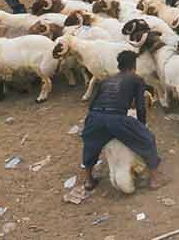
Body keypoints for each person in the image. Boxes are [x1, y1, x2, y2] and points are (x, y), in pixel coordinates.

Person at [64, 51, 164, 203]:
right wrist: (141, 127)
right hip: (116, 117)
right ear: (134, 65)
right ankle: (155, 179)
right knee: (147, 140)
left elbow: (92, 104)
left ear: (119, 65)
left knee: (91, 145)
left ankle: (89, 180)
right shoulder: (136, 79)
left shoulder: (106, 80)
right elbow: (140, 107)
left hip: (95, 117)